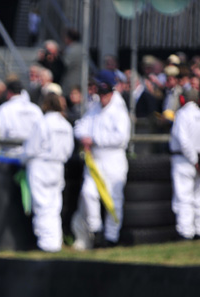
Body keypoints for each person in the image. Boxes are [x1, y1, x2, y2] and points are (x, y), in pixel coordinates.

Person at [71, 70, 131, 249]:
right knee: (88, 193)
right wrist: (84, 137)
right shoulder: (95, 107)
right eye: (100, 93)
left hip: (113, 160)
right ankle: (96, 231)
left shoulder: (119, 110)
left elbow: (121, 138)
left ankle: (111, 238)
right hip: (95, 160)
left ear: (111, 91)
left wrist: (95, 139)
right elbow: (80, 126)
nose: (102, 97)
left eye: (104, 93)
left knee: (114, 200)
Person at [22, 88, 74, 251]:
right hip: (57, 166)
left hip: (41, 166)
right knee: (54, 205)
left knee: (42, 205)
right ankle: (55, 241)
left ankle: (47, 244)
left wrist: (21, 159)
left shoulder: (43, 123)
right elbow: (69, 149)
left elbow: (31, 148)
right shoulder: (65, 125)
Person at [169, 88, 200, 240]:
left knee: (183, 198)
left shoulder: (182, 115)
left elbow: (183, 141)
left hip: (184, 162)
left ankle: (186, 233)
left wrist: (194, 160)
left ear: (183, 100)